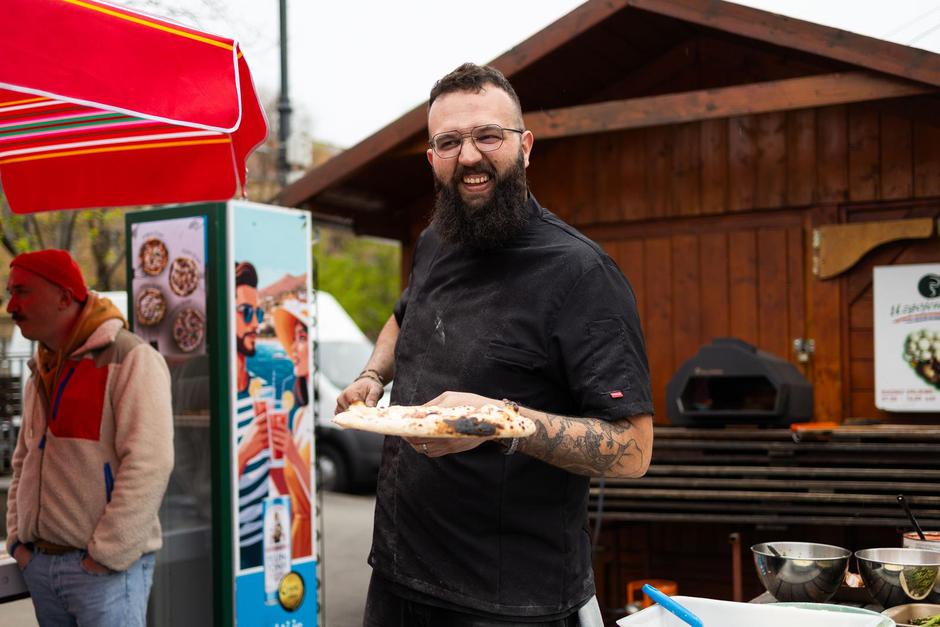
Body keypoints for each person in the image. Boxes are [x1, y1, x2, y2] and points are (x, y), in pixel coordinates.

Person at [336, 63, 654, 627]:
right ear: (431, 158)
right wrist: (370, 378)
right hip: (397, 575)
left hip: (509, 602)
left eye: (488, 136)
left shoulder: (580, 273)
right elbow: (401, 316)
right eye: (449, 141)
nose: (469, 156)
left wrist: (504, 423)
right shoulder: (436, 241)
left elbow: (632, 450)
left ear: (525, 146)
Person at [4, 249, 173, 626]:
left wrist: (105, 555)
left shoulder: (130, 358)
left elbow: (150, 463)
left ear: (65, 297)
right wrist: (18, 538)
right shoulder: (43, 365)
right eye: (10, 292)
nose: (11, 305)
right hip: (44, 565)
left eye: (22, 292)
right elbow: (24, 459)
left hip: (103, 572)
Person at [233, 260, 271, 569]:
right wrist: (244, 453)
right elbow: (190, 488)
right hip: (226, 548)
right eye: (246, 313)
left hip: (269, 544)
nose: (255, 323)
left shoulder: (264, 390)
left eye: (257, 313)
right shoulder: (207, 399)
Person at [272, 298, 313, 558]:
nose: (294, 350)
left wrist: (292, 454)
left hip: (305, 539)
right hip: (294, 535)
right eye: (293, 339)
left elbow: (309, 490)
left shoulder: (306, 417)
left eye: (302, 337)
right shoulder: (298, 416)